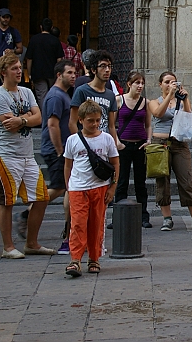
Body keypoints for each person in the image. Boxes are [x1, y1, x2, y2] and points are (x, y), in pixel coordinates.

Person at [0, 53, 56, 259]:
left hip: (26, 156)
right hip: (5, 156)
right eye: (15, 68)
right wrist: (26, 118)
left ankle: (31, 243)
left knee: (42, 197)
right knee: (7, 201)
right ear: (3, 72)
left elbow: (39, 117)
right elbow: (9, 125)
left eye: (19, 67)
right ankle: (7, 246)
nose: (19, 71)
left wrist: (23, 120)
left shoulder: (26, 92)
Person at [63, 100, 120, 277]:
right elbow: (68, 165)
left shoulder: (107, 139)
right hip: (78, 188)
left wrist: (113, 187)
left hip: (100, 187)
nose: (94, 124)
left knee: (96, 223)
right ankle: (75, 259)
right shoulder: (73, 140)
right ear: (80, 120)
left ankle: (94, 258)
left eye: (97, 120)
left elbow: (115, 163)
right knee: (78, 224)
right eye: (90, 121)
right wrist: (68, 186)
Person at [149, 71, 192, 232]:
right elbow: (158, 113)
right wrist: (170, 95)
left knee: (186, 180)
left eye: (173, 82)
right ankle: (167, 219)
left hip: (180, 144)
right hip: (160, 144)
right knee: (162, 181)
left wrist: (185, 98)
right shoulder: (154, 101)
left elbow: (188, 117)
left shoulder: (180, 102)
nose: (170, 85)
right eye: (167, 82)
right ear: (160, 84)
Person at [35, 60, 77, 254]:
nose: (73, 75)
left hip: (61, 149)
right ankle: (30, 212)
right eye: (69, 72)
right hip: (55, 150)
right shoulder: (55, 96)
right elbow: (52, 124)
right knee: (60, 187)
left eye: (74, 72)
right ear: (59, 75)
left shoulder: (63, 95)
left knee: (64, 186)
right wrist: (60, 149)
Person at [113, 71, 152, 228]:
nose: (140, 86)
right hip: (123, 145)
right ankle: (118, 216)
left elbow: (148, 124)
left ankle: (143, 215)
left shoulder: (145, 102)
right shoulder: (119, 100)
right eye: (137, 83)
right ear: (129, 84)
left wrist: (149, 140)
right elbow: (112, 123)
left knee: (140, 182)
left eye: (142, 83)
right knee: (121, 181)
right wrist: (116, 141)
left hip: (140, 145)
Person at [69, 50, 121, 147]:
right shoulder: (82, 91)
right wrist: (81, 145)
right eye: (103, 66)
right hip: (86, 143)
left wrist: (113, 149)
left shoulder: (110, 95)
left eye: (109, 66)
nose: (107, 70)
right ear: (93, 70)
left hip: (103, 144)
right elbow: (72, 122)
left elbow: (111, 126)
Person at [25, 17, 64, 108]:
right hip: (52, 72)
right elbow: (59, 59)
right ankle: (52, 115)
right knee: (53, 95)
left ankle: (44, 118)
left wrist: (29, 73)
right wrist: (59, 73)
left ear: (41, 27)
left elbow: (29, 58)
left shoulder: (34, 39)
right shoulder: (55, 40)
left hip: (38, 72)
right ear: (51, 28)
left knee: (41, 96)